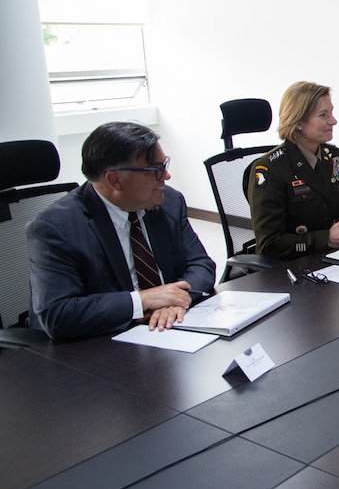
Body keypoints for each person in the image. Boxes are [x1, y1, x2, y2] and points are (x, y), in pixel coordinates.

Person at [27, 122, 215, 340]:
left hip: (167, 330)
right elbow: (58, 314)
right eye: (155, 170)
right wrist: (143, 300)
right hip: (96, 346)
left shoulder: (169, 201)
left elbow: (201, 264)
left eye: (164, 165)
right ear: (115, 180)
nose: (166, 176)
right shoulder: (55, 227)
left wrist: (177, 299)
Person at [248, 81, 339, 260]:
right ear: (298, 121)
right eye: (323, 115)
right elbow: (268, 244)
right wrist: (327, 239)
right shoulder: (271, 169)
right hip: (291, 266)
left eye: (331, 112)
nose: (333, 121)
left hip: (333, 258)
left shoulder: (334, 157)